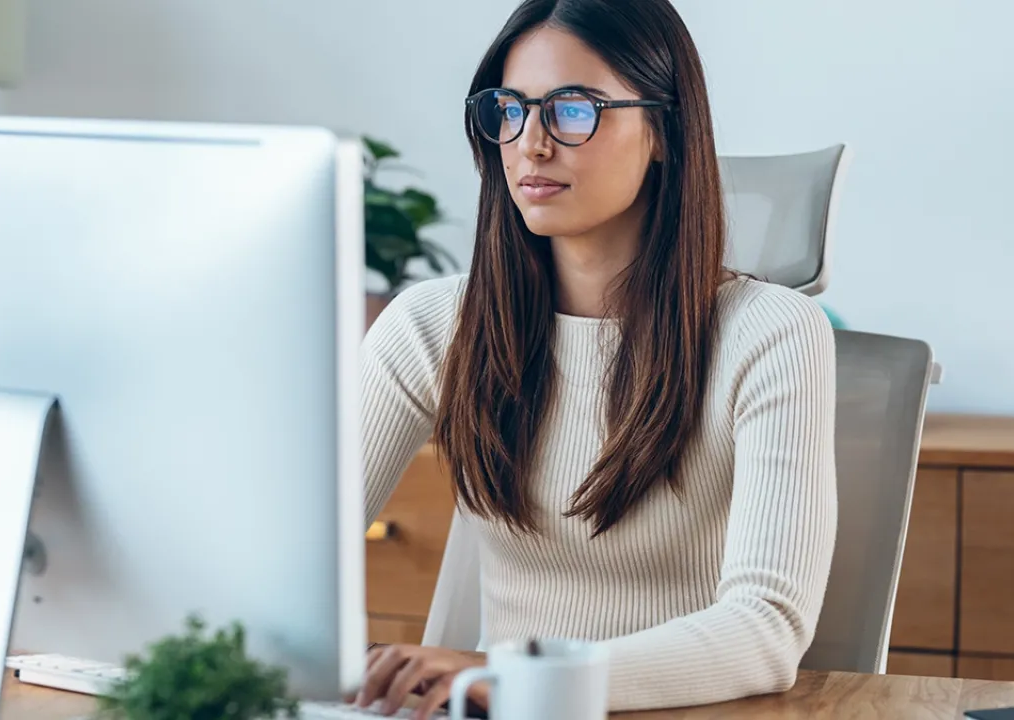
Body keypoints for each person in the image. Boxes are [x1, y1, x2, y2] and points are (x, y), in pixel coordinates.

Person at [352, 0, 838, 716]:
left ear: (664, 130)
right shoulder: (431, 325)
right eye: (509, 110)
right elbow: (294, 561)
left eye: (573, 110)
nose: (531, 144)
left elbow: (766, 631)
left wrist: (514, 675)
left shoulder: (772, 333)